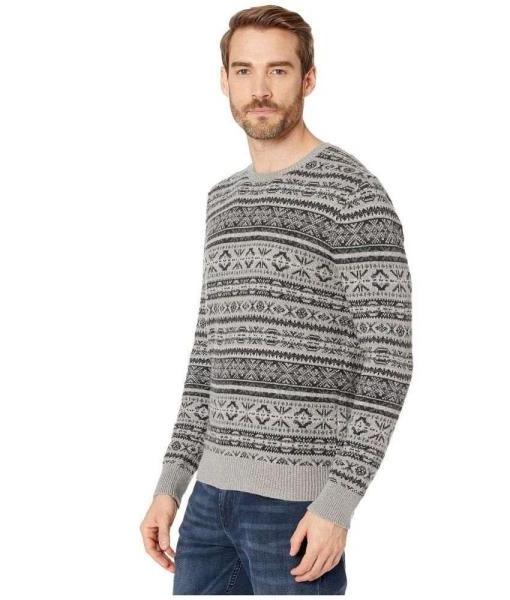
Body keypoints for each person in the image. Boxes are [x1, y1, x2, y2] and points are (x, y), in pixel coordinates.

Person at [140, 4, 413, 595]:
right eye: (244, 70)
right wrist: (171, 484)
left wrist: (337, 504)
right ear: (224, 80)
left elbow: (388, 363)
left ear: (308, 79)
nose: (259, 89)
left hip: (295, 513)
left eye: (278, 71)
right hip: (208, 506)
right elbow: (207, 357)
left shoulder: (354, 194)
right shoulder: (222, 200)